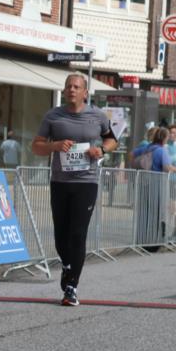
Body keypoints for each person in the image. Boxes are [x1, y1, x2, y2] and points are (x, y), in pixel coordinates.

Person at [31, 73, 118, 306]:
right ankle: (67, 266)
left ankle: (71, 287)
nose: (71, 89)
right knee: (61, 236)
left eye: (76, 86)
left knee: (78, 234)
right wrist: (55, 146)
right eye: (68, 86)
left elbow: (112, 140)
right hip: (60, 182)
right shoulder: (53, 116)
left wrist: (102, 150)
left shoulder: (97, 116)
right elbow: (36, 147)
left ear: (85, 92)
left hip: (87, 182)